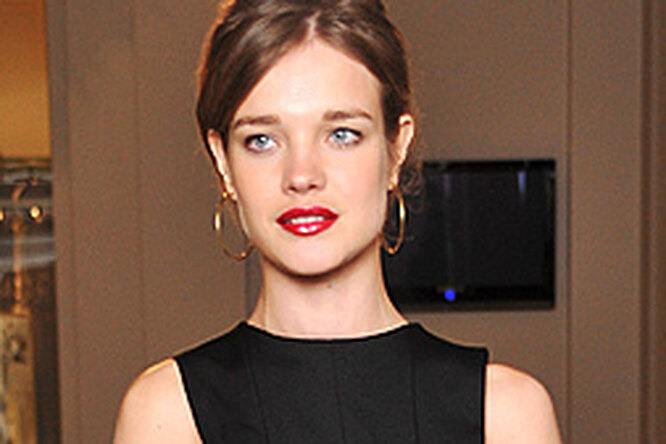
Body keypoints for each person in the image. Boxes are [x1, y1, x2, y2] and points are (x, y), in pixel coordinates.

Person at [113, 0, 562, 442]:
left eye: (342, 134)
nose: (301, 175)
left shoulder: (507, 414)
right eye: (262, 140)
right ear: (223, 162)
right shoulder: (166, 413)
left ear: (395, 149)